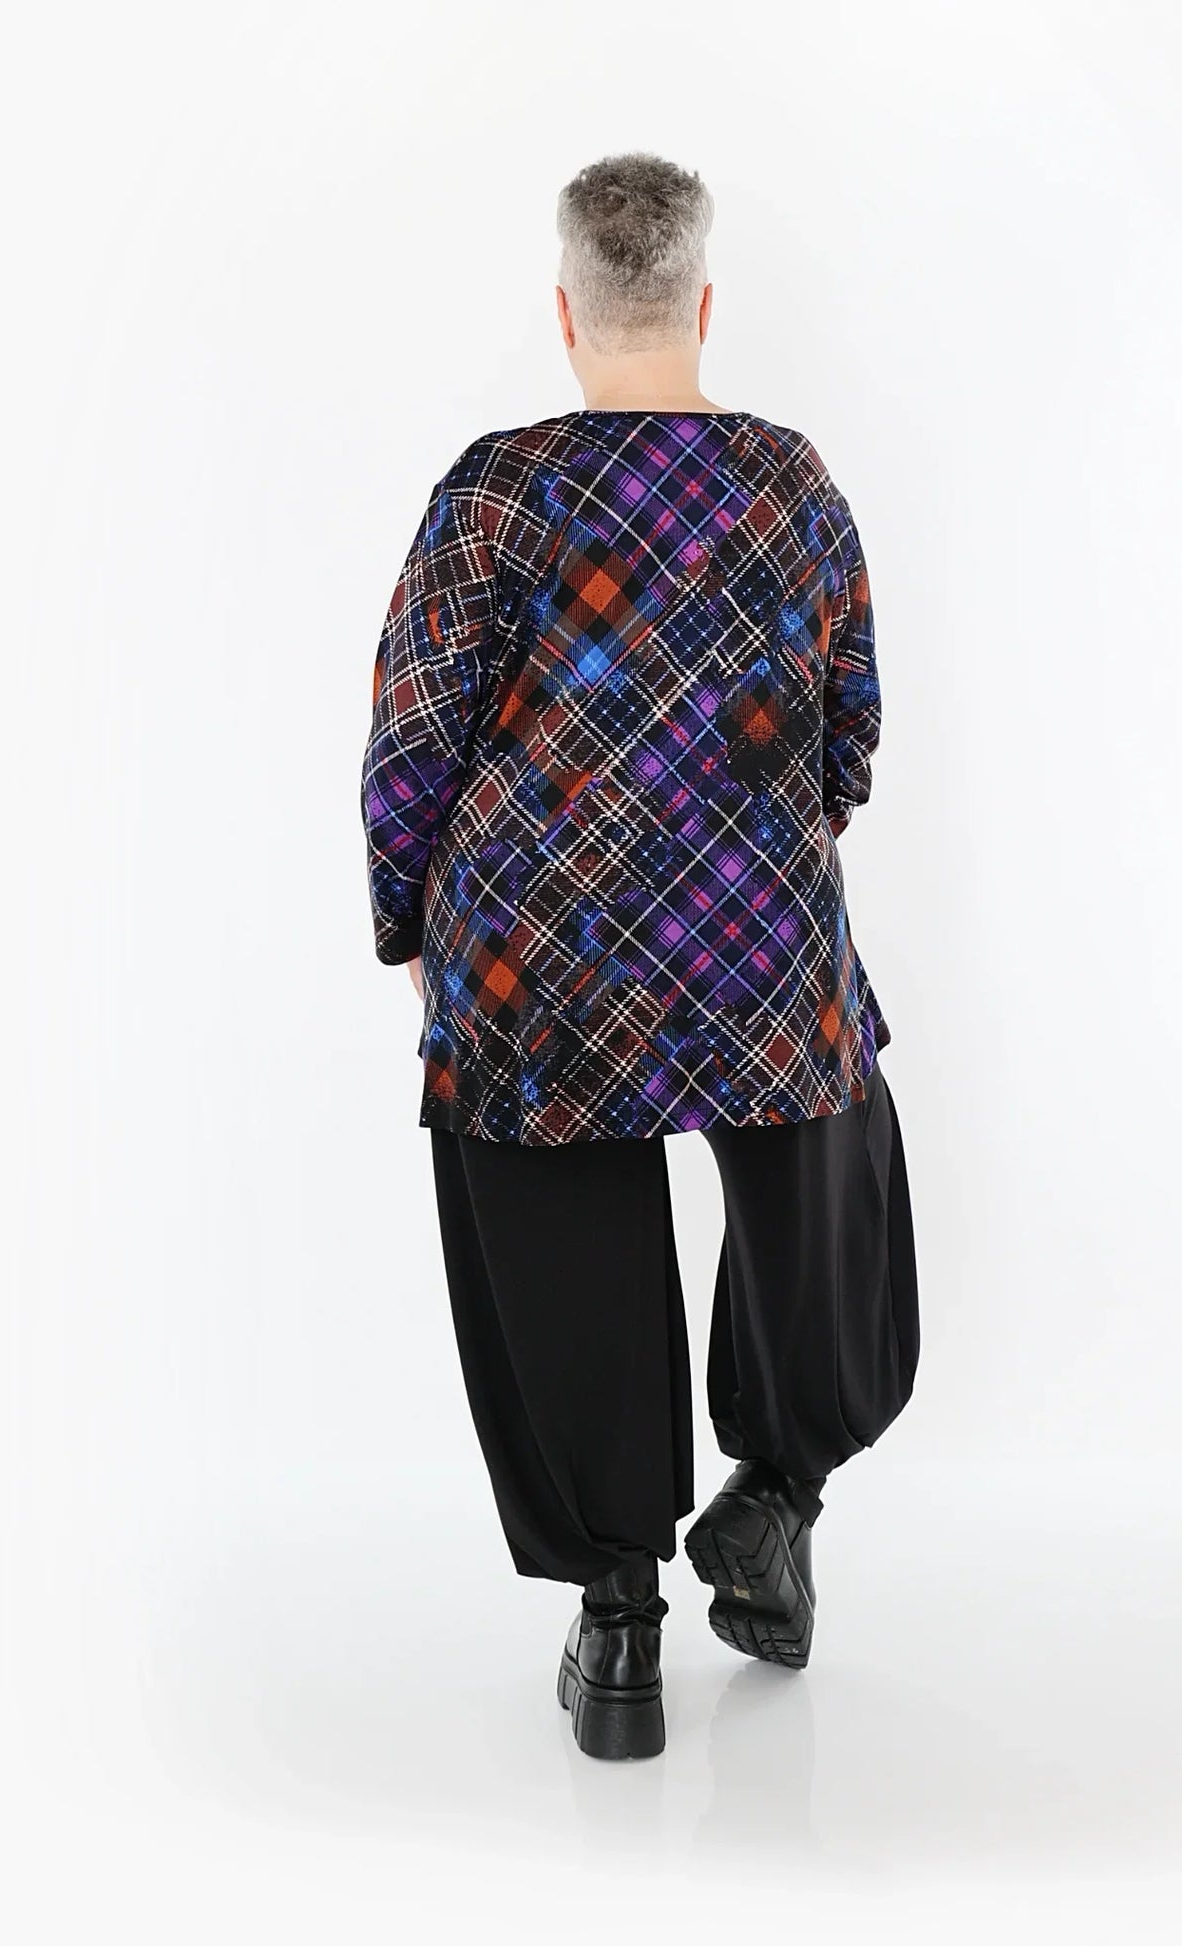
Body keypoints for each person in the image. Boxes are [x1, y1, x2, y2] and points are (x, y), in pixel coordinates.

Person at [359, 153, 919, 1760]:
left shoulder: (496, 491)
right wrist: (761, 845)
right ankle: (778, 1496)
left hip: (535, 948)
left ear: (565, 313)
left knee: (552, 1235)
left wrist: (412, 923)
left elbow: (413, 742)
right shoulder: (788, 482)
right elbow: (851, 725)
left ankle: (618, 1625)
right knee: (830, 1186)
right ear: (701, 303)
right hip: (751, 925)